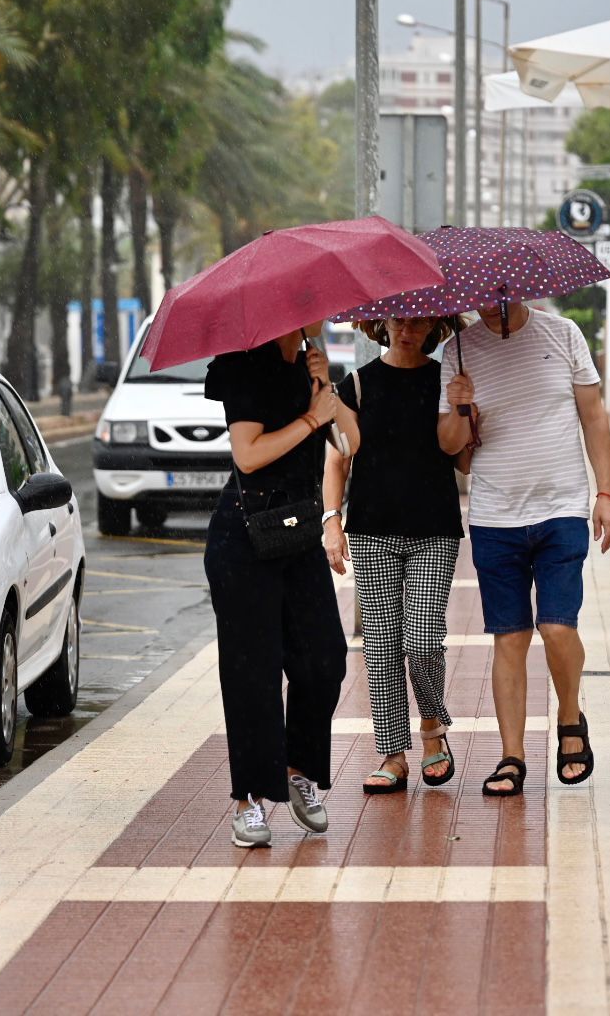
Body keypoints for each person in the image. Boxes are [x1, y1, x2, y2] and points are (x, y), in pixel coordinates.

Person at [437, 302, 610, 797]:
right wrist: (460, 407)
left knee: (557, 626)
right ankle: (511, 756)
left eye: (506, 291)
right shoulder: (457, 353)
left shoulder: (563, 334)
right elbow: (457, 455)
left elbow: (594, 415)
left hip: (561, 508)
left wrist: (606, 493)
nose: (495, 302)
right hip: (496, 516)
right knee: (509, 638)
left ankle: (568, 715)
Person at [204, 324, 360, 847]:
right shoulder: (242, 364)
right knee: (254, 673)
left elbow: (350, 443)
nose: (312, 322)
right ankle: (248, 799)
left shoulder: (312, 366)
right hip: (245, 539)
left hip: (297, 534)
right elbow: (248, 454)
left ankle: (298, 772)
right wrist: (310, 417)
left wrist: (327, 395)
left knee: (324, 660)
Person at [322, 315, 463, 794]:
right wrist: (331, 522)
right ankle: (392, 754)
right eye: (400, 320)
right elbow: (338, 458)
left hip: (434, 528)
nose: (408, 329)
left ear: (435, 325)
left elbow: (462, 457)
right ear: (381, 322)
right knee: (380, 647)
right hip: (370, 530)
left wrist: (465, 410)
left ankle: (432, 729)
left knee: (422, 638)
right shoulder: (357, 384)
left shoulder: (446, 380)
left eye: (420, 321)